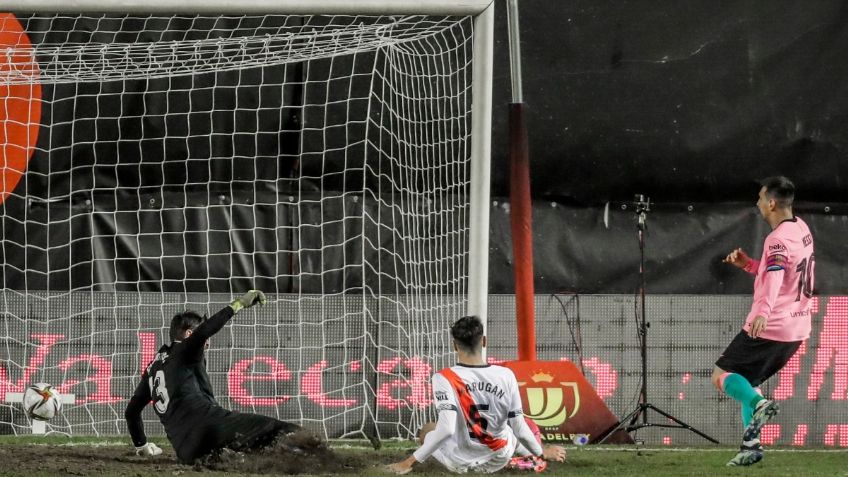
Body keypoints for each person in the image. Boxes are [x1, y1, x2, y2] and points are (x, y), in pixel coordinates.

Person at [125, 290, 305, 464]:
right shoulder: (185, 349)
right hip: (211, 427)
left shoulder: (152, 369)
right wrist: (239, 303)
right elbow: (204, 332)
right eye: (204, 340)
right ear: (189, 335)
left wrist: (141, 445)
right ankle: (320, 458)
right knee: (280, 430)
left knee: (247, 450)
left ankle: (231, 456)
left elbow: (131, 412)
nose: (208, 343)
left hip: (186, 451)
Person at [712, 176, 815, 467]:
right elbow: (784, 272)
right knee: (748, 381)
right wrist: (749, 265)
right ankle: (751, 445)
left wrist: (762, 313)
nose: (757, 203)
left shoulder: (777, 239)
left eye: (759, 198)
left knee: (721, 375)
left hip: (773, 325)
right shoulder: (801, 229)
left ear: (771, 203)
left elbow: (774, 278)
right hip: (798, 328)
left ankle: (760, 405)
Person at [386, 315, 566, 474]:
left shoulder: (444, 377)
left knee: (429, 429)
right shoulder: (506, 374)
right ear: (484, 341)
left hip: (459, 463)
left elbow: (447, 429)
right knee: (513, 429)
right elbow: (519, 427)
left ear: (454, 346)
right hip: (498, 458)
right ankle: (534, 457)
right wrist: (542, 451)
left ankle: (518, 458)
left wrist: (407, 462)